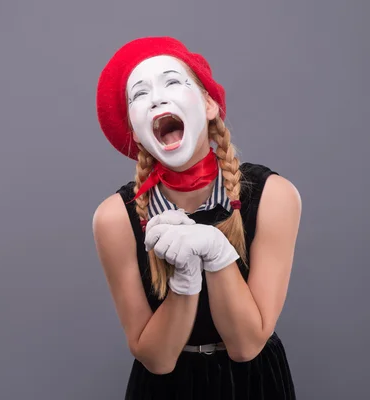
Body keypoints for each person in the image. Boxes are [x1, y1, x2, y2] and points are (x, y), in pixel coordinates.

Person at [92, 37, 302, 399]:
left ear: (208, 104)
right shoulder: (114, 218)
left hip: (255, 385)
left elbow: (246, 345)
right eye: (139, 94)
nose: (157, 98)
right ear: (134, 128)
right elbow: (156, 360)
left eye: (172, 82)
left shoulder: (274, 196)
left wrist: (218, 255)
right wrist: (185, 282)